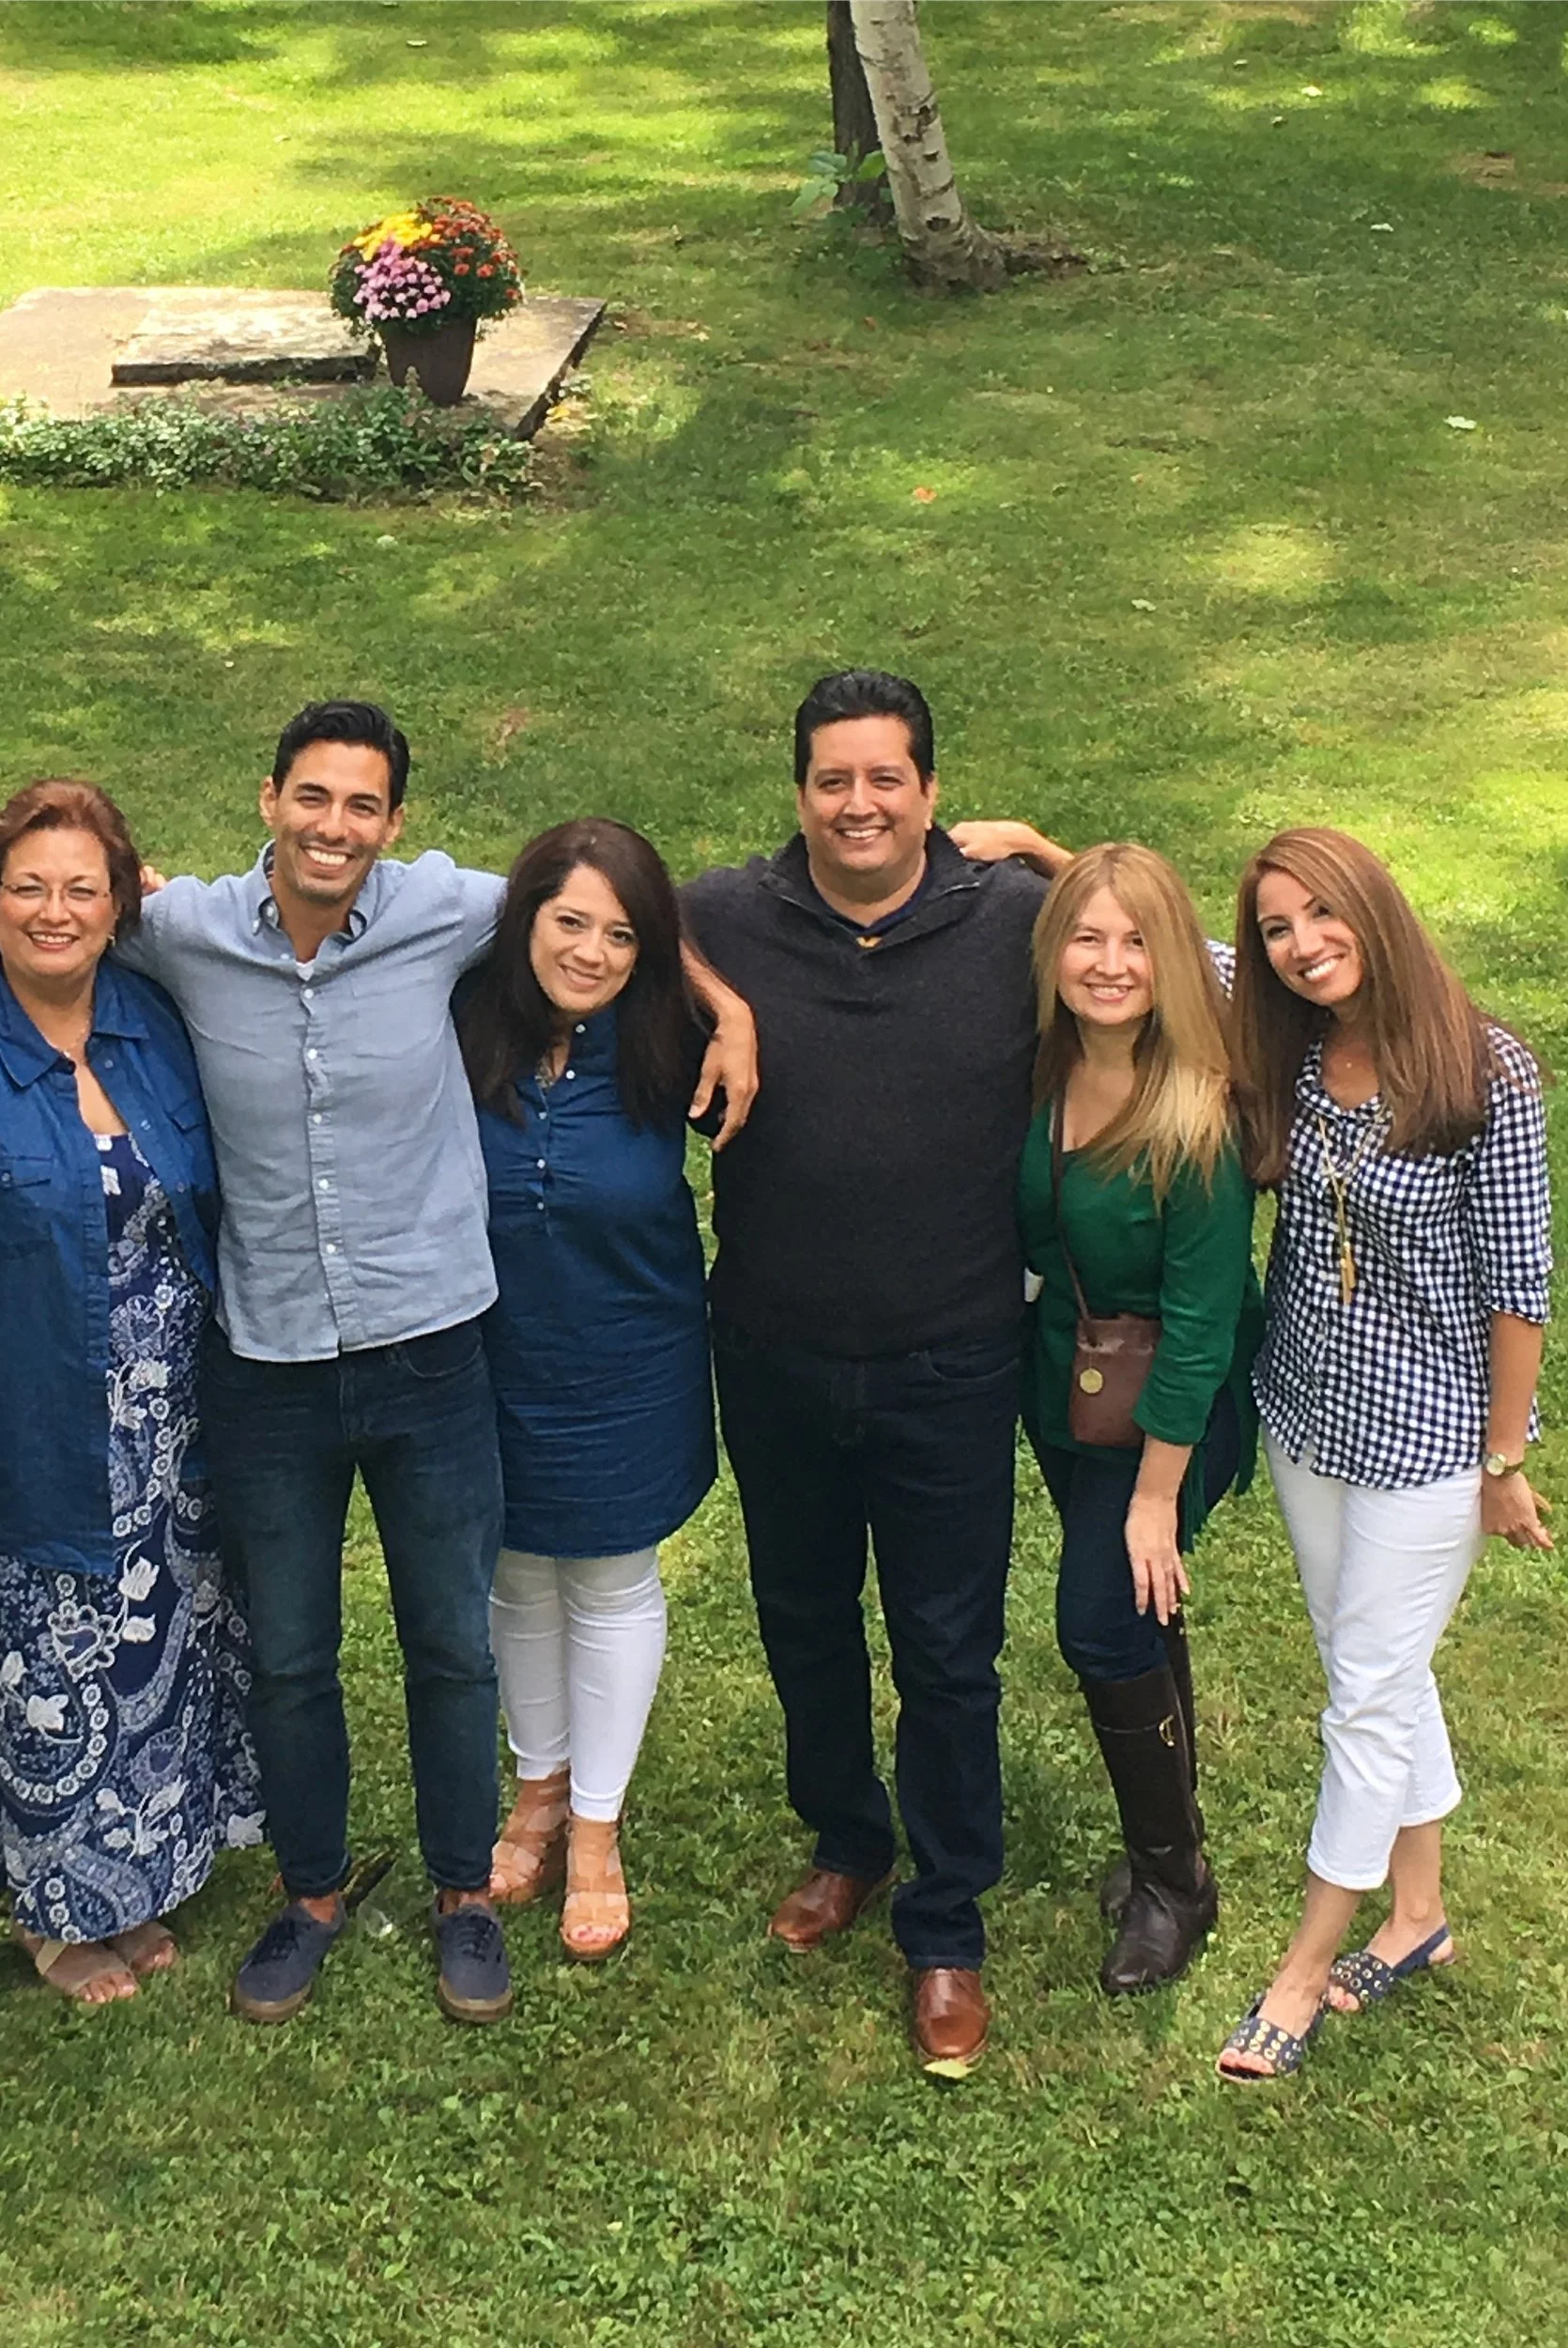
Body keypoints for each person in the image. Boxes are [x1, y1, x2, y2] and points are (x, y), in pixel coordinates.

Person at [0, 699, 756, 2030]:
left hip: (433, 1349)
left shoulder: (449, 912)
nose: (333, 826)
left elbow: (613, 907)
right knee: (287, 1650)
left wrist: (727, 1010)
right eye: (312, 798)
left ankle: (464, 1894)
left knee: (451, 1642)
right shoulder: (190, 933)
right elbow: (53, 930)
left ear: (394, 825)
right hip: (267, 1361)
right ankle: (315, 1890)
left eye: (363, 806)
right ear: (269, 798)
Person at [681, 668, 1048, 2078]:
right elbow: (596, 907)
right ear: (799, 795)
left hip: (953, 1356)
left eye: (886, 778)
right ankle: (849, 1837)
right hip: (770, 1349)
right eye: (833, 779)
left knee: (951, 1653)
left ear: (932, 793)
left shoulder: (1008, 919)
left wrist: (1059, 857)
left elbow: (1147, 940)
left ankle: (946, 1924)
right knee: (803, 1618)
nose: (859, 804)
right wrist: (720, 999)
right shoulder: (730, 914)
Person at [0, 781, 262, 2004]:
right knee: (43, 1662)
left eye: (83, 886)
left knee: (157, 1646)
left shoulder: (147, 1017)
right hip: (18, 1414)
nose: (56, 909)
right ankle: (53, 1911)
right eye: (28, 885)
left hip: (173, 1416)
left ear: (120, 902)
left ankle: (136, 1880)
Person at [1214, 827, 1552, 2081]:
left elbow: (1521, 1285)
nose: (1301, 948)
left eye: (1320, 916)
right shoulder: (1290, 1044)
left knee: (1363, 1687)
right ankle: (1419, 1918)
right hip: (1307, 1419)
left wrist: (1502, 1460)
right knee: (1381, 1667)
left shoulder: (1486, 1074)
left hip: (1429, 1445)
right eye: (1276, 929)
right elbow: (1168, 948)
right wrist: (1037, 849)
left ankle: (1304, 1968)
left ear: (1374, 908)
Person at [454, 819, 715, 1961]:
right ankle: (537, 1789)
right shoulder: (459, 1016)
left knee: (609, 1580)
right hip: (490, 1355)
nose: (594, 952)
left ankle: (597, 1828)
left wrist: (737, 1010)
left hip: (631, 1359)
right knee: (513, 1571)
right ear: (523, 922)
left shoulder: (678, 1039)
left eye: (621, 933)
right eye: (570, 921)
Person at [1017, 843, 1262, 1997]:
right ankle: (1173, 1839)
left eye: (1135, 943)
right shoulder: (1034, 1070)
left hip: (1173, 1404)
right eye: (1086, 937)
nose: (1109, 964)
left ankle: (1175, 1882)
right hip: (1068, 1392)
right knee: (1140, 1610)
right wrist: (1026, 846)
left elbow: (1205, 1323)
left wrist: (1159, 1493)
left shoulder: (1196, 1112)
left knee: (1102, 1622)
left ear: (1171, 962)